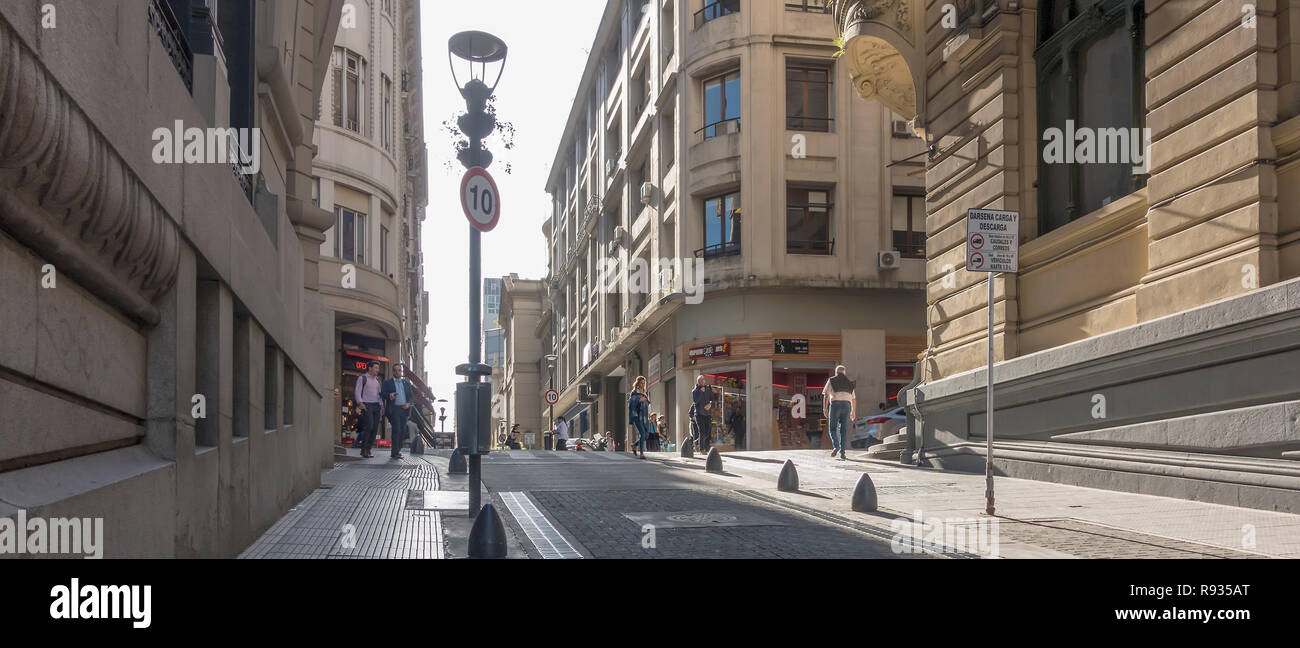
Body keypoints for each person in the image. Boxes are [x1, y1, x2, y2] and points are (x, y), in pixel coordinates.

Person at [381, 363, 416, 460]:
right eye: (395, 370)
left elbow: (411, 397)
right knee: (396, 429)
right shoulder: (387, 382)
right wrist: (389, 395)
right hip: (394, 409)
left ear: (401, 371)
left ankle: (397, 450)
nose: (397, 372)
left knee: (403, 430)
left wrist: (408, 404)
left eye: (399, 370)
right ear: (392, 372)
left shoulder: (407, 383)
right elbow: (383, 394)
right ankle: (395, 452)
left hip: (404, 410)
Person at [823, 365, 857, 460]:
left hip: (835, 405)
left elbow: (826, 395)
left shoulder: (832, 380)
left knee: (832, 428)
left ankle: (836, 445)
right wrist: (853, 411)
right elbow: (854, 399)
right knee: (843, 430)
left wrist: (825, 409)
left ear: (836, 372)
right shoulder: (849, 383)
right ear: (844, 372)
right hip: (847, 405)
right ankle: (842, 453)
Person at [353, 362, 383, 458]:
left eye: (378, 368)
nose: (377, 370)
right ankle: (364, 450)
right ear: (370, 368)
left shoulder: (377, 380)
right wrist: (360, 403)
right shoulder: (362, 378)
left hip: (376, 406)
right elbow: (357, 391)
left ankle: (369, 449)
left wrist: (381, 405)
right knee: (369, 426)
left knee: (374, 428)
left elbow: (379, 395)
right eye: (376, 368)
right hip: (367, 405)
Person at [628, 377, 651, 459]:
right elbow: (631, 402)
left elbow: (648, 404)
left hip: (645, 416)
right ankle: (641, 453)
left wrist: (648, 413)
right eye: (641, 382)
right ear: (638, 383)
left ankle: (634, 445)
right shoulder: (634, 392)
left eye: (644, 382)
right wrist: (638, 400)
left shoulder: (645, 392)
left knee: (646, 435)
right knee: (642, 434)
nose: (642, 384)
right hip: (637, 416)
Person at [691, 375, 715, 453]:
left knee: (707, 432)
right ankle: (702, 449)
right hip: (699, 414)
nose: (703, 382)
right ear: (698, 382)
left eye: (703, 380)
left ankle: (697, 442)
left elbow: (712, 399)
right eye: (701, 381)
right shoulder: (695, 391)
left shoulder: (708, 389)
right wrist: (701, 391)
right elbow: (696, 401)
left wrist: (710, 404)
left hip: (707, 414)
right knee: (702, 431)